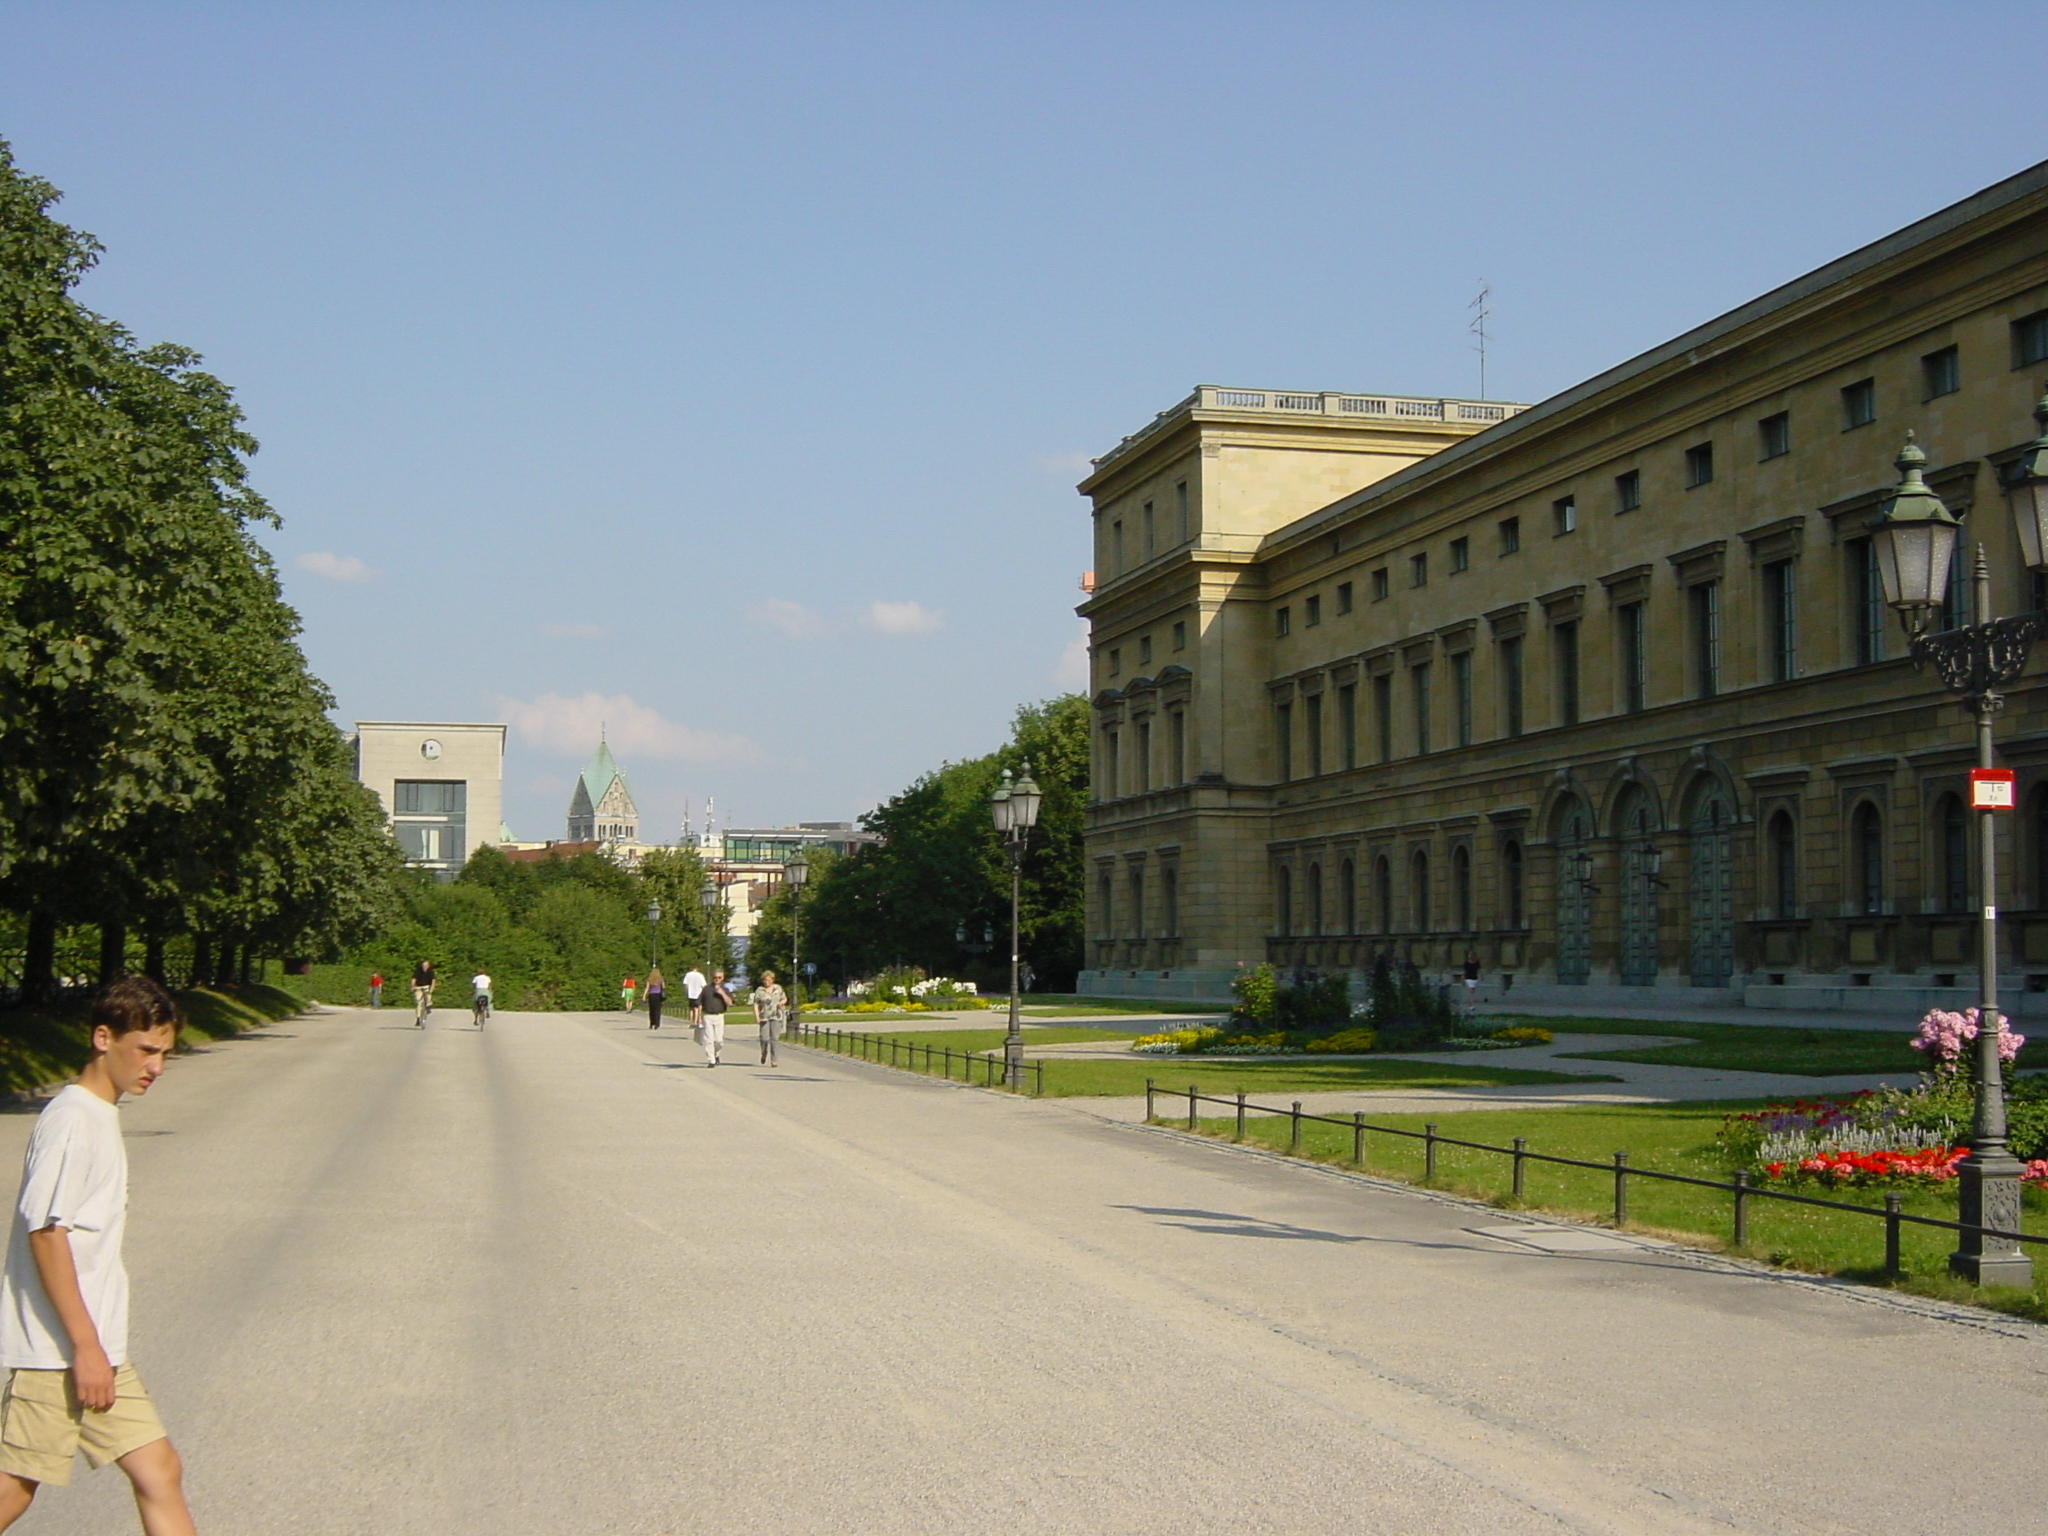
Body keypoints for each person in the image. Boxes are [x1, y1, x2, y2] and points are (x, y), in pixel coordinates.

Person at [0, 976, 197, 1535]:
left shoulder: (97, 1114)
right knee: (13, 1489)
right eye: (147, 1051)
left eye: (165, 1054)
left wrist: (96, 1347)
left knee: (160, 1470)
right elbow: (45, 1232)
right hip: (57, 1351)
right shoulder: (72, 1121)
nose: (156, 1067)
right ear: (103, 1037)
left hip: (93, 1345)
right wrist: (85, 1348)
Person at [697, 969, 733, 1067]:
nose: (717, 979)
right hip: (708, 1015)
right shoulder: (706, 989)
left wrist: (722, 993)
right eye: (715, 977)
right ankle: (711, 1060)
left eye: (719, 978)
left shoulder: (725, 989)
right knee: (709, 1039)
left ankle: (716, 1054)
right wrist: (699, 1017)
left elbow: (730, 1003)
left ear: (722, 978)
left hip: (719, 1015)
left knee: (719, 1040)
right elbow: (699, 1003)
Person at [752, 970, 787, 1066]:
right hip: (764, 1016)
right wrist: (757, 1016)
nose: (766, 982)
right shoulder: (760, 990)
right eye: (765, 980)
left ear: (772, 980)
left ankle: (774, 1060)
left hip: (776, 1015)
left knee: (774, 1039)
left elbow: (784, 998)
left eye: (768, 980)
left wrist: (781, 1003)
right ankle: (764, 1053)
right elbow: (755, 1004)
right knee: (764, 1039)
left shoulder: (778, 988)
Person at [410, 959, 436, 1027]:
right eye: (424, 965)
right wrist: (413, 986)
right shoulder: (418, 971)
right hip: (418, 987)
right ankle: (418, 1018)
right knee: (418, 1002)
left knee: (428, 995)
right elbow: (414, 979)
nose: (425, 967)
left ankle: (428, 1006)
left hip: (426, 986)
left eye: (426, 965)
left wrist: (432, 987)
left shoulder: (430, 971)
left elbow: (433, 979)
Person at [682, 964, 707, 1030]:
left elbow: (686, 985)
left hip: (690, 993)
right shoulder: (700, 975)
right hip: (698, 993)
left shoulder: (688, 974)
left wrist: (686, 992)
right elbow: (703, 985)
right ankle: (696, 1021)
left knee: (691, 1008)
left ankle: (691, 1021)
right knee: (697, 1008)